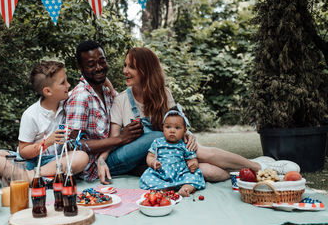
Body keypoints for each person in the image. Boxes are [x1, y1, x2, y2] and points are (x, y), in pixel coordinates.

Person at [97, 47, 300, 184]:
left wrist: (188, 134)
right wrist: (101, 160)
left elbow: (178, 123)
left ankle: (250, 171)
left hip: (158, 158)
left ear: (146, 70)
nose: (125, 70)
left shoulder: (163, 94)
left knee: (208, 170)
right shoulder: (122, 99)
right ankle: (259, 166)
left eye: (130, 66)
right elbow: (114, 139)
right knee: (159, 136)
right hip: (125, 159)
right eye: (125, 65)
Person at [0, 61, 89, 183]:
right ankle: (35, 176)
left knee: (81, 156)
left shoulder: (68, 101)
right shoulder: (31, 115)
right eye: (63, 83)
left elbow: (88, 84)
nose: (68, 85)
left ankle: (29, 177)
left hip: (53, 161)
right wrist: (47, 142)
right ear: (48, 92)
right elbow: (23, 152)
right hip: (29, 162)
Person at [65, 40, 144, 182]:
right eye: (91, 64)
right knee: (155, 137)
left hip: (112, 152)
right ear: (80, 67)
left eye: (102, 61)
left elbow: (122, 101)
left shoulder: (106, 92)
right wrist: (119, 138)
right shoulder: (81, 97)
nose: (99, 67)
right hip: (94, 167)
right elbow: (72, 144)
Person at [140, 105, 206, 197]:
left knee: (194, 176)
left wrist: (193, 164)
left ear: (185, 131)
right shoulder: (157, 142)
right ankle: (164, 188)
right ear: (163, 128)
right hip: (161, 172)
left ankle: (185, 189)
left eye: (177, 128)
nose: (172, 131)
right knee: (147, 177)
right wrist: (153, 162)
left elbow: (192, 159)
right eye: (168, 127)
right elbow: (150, 156)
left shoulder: (185, 144)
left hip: (181, 173)